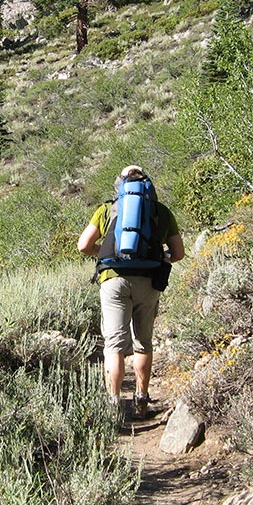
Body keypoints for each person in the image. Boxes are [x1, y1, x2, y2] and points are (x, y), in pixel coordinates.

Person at [77, 165, 185, 422]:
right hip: (149, 280)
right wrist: (158, 256)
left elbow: (83, 246)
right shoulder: (161, 212)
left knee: (114, 346)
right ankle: (141, 399)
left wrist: (105, 253)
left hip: (113, 280)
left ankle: (113, 405)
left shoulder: (106, 210)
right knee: (143, 343)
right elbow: (179, 253)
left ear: (120, 186)